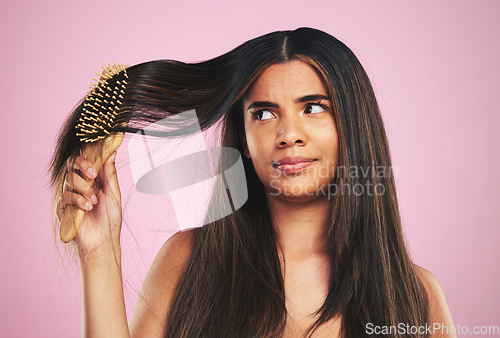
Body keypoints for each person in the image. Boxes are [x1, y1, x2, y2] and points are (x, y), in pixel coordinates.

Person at [50, 27, 454, 337]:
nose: (288, 134)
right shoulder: (189, 261)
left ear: (352, 126)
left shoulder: (416, 296)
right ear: (242, 140)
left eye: (313, 108)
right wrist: (99, 253)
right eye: (263, 113)